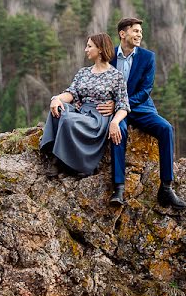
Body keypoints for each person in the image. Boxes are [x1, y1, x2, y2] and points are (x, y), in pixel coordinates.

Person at [97, 17, 186, 210]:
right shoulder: (109, 56)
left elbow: (146, 89)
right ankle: (119, 188)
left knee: (166, 128)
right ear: (123, 34)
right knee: (118, 133)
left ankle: (166, 188)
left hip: (140, 106)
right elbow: (102, 84)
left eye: (140, 32)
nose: (139, 35)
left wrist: (122, 104)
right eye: (135, 31)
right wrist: (113, 106)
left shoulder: (148, 57)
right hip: (115, 108)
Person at [40, 33, 129, 184]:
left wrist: (115, 122)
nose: (85, 49)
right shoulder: (83, 72)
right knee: (59, 111)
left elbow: (123, 105)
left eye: (89, 46)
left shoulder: (116, 76)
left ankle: (61, 162)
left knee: (68, 119)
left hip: (98, 118)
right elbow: (71, 93)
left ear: (100, 49)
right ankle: (52, 151)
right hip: (81, 112)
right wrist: (56, 99)